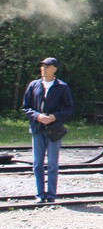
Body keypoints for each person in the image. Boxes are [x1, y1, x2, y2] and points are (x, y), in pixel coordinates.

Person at [22, 56, 74, 204]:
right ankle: (39, 193)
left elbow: (69, 108)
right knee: (37, 163)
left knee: (52, 164)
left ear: (54, 69)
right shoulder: (34, 85)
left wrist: (54, 117)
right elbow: (26, 107)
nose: (43, 69)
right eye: (42, 66)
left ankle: (51, 194)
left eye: (47, 67)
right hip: (37, 128)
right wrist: (37, 116)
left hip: (54, 130)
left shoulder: (62, 87)